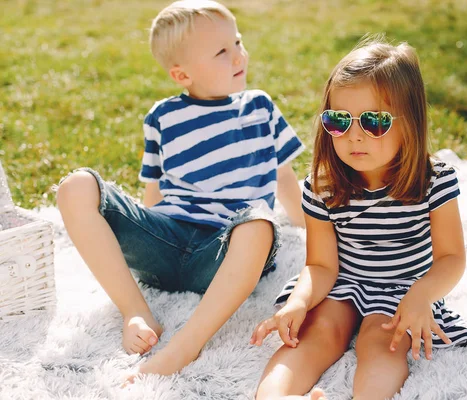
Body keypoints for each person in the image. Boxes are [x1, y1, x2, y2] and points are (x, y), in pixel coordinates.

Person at [55, 0, 305, 380]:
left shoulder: (259, 107)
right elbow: (153, 192)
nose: (239, 55)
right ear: (181, 74)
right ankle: (136, 311)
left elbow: (283, 177)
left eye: (237, 42)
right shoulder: (162, 116)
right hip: (168, 243)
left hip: (224, 254)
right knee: (75, 186)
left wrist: (309, 230)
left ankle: (185, 347)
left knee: (259, 224)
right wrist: (144, 230)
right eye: (223, 51)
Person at [250, 37, 467, 400]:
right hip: (344, 281)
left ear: (410, 123)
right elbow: (321, 266)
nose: (355, 135)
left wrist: (421, 296)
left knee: (382, 342)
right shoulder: (322, 187)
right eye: (339, 120)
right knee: (317, 333)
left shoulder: (435, 182)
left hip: (404, 288)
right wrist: (299, 302)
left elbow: (452, 259)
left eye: (374, 121)